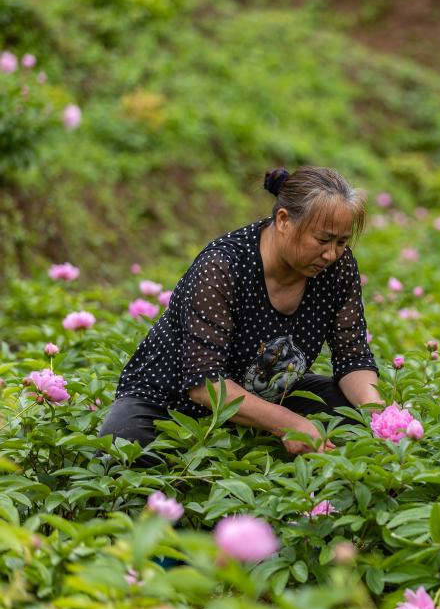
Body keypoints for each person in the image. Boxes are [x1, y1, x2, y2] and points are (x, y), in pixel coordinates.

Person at [99, 166, 381, 462]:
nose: (332, 254)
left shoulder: (336, 269)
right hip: (172, 401)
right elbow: (204, 386)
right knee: (121, 446)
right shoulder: (222, 266)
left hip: (267, 393)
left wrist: (379, 416)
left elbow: (352, 358)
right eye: (322, 240)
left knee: (349, 411)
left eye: (341, 242)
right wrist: (290, 423)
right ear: (283, 220)